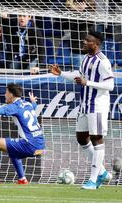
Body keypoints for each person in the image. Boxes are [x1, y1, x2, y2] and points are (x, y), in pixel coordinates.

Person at [50, 31, 114, 190]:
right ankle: (103, 172)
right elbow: (80, 76)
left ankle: (93, 179)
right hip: (85, 103)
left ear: (96, 43)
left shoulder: (103, 62)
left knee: (96, 138)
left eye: (88, 40)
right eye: (85, 39)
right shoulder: (86, 58)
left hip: (97, 104)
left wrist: (88, 83)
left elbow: (110, 85)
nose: (84, 42)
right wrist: (62, 74)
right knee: (81, 137)